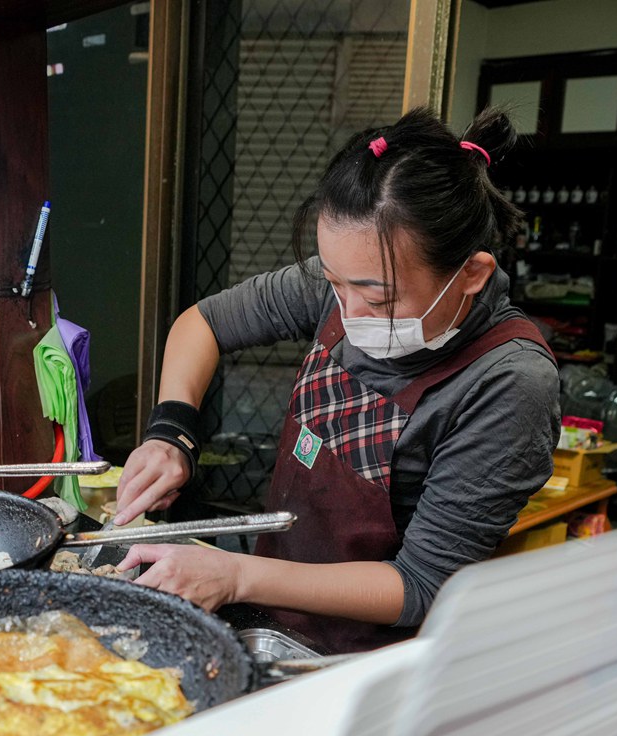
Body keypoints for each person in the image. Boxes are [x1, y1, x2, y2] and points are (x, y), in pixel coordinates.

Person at [113, 107, 560, 652]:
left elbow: (419, 584)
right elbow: (201, 324)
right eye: (334, 284)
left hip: (371, 659)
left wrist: (235, 574)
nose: (347, 312)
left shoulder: (508, 382)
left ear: (472, 274)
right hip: (273, 616)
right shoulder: (348, 276)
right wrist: (171, 432)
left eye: (379, 299)